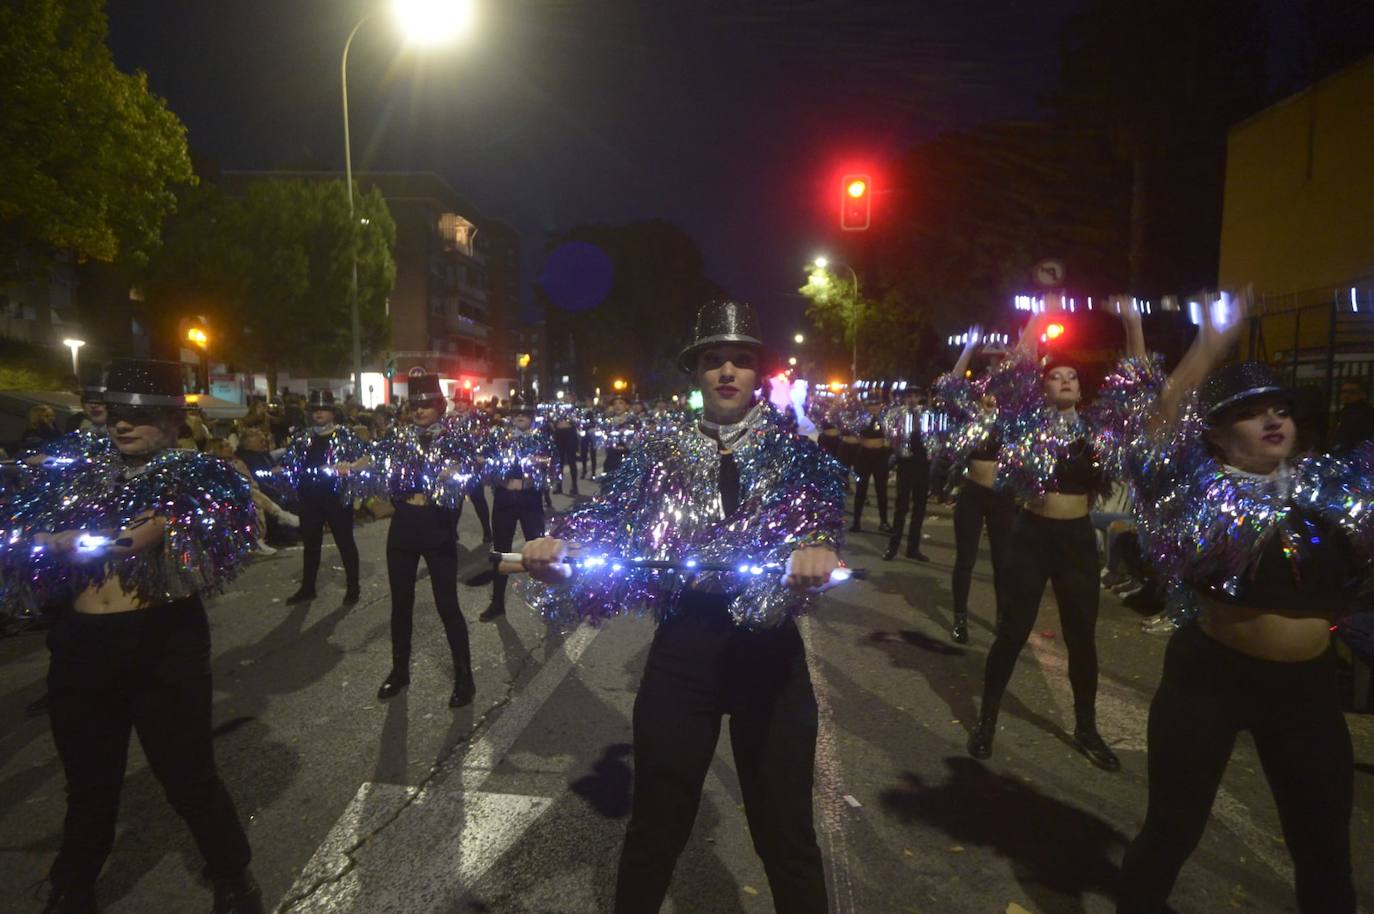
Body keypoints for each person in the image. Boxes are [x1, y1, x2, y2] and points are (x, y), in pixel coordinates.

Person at [520, 299, 844, 914]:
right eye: (714, 360)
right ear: (695, 373)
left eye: (741, 361)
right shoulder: (656, 453)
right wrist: (560, 546)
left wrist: (818, 548)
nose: (727, 371)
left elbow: (821, 519)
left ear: (757, 375)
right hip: (684, 650)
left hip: (769, 654)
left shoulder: (798, 456)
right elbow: (608, 521)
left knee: (786, 836)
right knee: (655, 829)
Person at [1117, 294, 1369, 914]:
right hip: (1211, 680)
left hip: (1308, 690)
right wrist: (1207, 346)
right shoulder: (1199, 490)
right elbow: (1156, 427)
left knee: (1324, 849)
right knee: (1173, 830)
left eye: (1280, 410)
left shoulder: (1331, 487)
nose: (1273, 420)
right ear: (1219, 439)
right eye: (1252, 414)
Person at [0, 359, 263, 914]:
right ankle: (73, 886)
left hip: (162, 643)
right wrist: (47, 534)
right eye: (116, 414)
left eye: (137, 417)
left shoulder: (195, 474)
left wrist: (89, 540)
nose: (122, 426)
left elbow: (145, 533)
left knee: (187, 775)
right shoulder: (83, 471)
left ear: (170, 421)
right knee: (90, 784)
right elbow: (28, 526)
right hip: (81, 646)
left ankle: (232, 875)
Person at [966, 307, 1153, 771]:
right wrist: (1036, 315)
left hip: (1074, 540)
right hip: (1031, 535)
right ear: (1043, 387)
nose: (1066, 381)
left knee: (1081, 638)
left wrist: (1132, 324)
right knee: (1012, 632)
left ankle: (1086, 728)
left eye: (1072, 376)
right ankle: (986, 719)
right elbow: (1016, 369)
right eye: (1056, 377)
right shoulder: (1026, 423)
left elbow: (1137, 381)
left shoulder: (1096, 429)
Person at [370, 373, 477, 707]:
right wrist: (347, 467)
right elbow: (372, 461)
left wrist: (456, 470)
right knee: (401, 604)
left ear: (439, 406)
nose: (419, 411)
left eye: (426, 404)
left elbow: (473, 468)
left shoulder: (454, 437)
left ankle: (464, 677)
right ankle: (399, 672)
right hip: (403, 527)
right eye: (414, 405)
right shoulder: (398, 437)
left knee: (447, 605)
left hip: (437, 525)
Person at [934, 328, 1017, 644]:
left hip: (1003, 495)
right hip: (972, 492)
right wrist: (968, 347)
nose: (992, 394)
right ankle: (960, 618)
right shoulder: (970, 413)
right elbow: (950, 387)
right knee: (965, 559)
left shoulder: (1013, 414)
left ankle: (1002, 618)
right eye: (991, 361)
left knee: (1002, 561)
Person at [277, 390, 368, 605]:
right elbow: (290, 461)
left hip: (336, 497)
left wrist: (352, 467)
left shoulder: (345, 435)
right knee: (311, 544)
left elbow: (367, 458)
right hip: (309, 497)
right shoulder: (303, 437)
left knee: (345, 542)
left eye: (324, 409)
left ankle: (353, 587)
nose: (319, 413)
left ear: (333, 412)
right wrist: (282, 470)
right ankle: (308, 588)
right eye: (314, 409)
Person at [472, 395, 555, 622]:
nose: (520, 416)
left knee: (538, 550)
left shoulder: (541, 439)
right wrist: (484, 462)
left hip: (530, 501)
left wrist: (540, 466)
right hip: (504, 501)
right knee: (501, 551)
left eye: (525, 413)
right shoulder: (499, 437)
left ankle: (548, 600)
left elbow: (553, 467)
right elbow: (482, 462)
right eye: (516, 412)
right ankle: (498, 602)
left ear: (532, 417)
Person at [882, 387, 930, 561]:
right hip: (906, 463)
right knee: (901, 506)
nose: (912, 399)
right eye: (909, 396)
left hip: (923, 462)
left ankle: (913, 548)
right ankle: (893, 547)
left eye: (916, 396)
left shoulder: (926, 414)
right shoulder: (897, 414)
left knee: (920, 507)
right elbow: (889, 433)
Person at [850, 398, 892, 533]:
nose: (874, 407)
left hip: (880, 456)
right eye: (871, 405)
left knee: (882, 490)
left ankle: (884, 521)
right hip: (864, 456)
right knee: (861, 489)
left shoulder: (885, 420)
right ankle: (856, 522)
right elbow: (854, 433)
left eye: (876, 404)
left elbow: (892, 435)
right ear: (867, 407)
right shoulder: (862, 419)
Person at [1331, 379, 1374, 454]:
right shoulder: (1345, 411)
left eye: (1352, 392)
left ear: (1362, 394)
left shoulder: (1366, 412)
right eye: (1344, 392)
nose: (1347, 395)